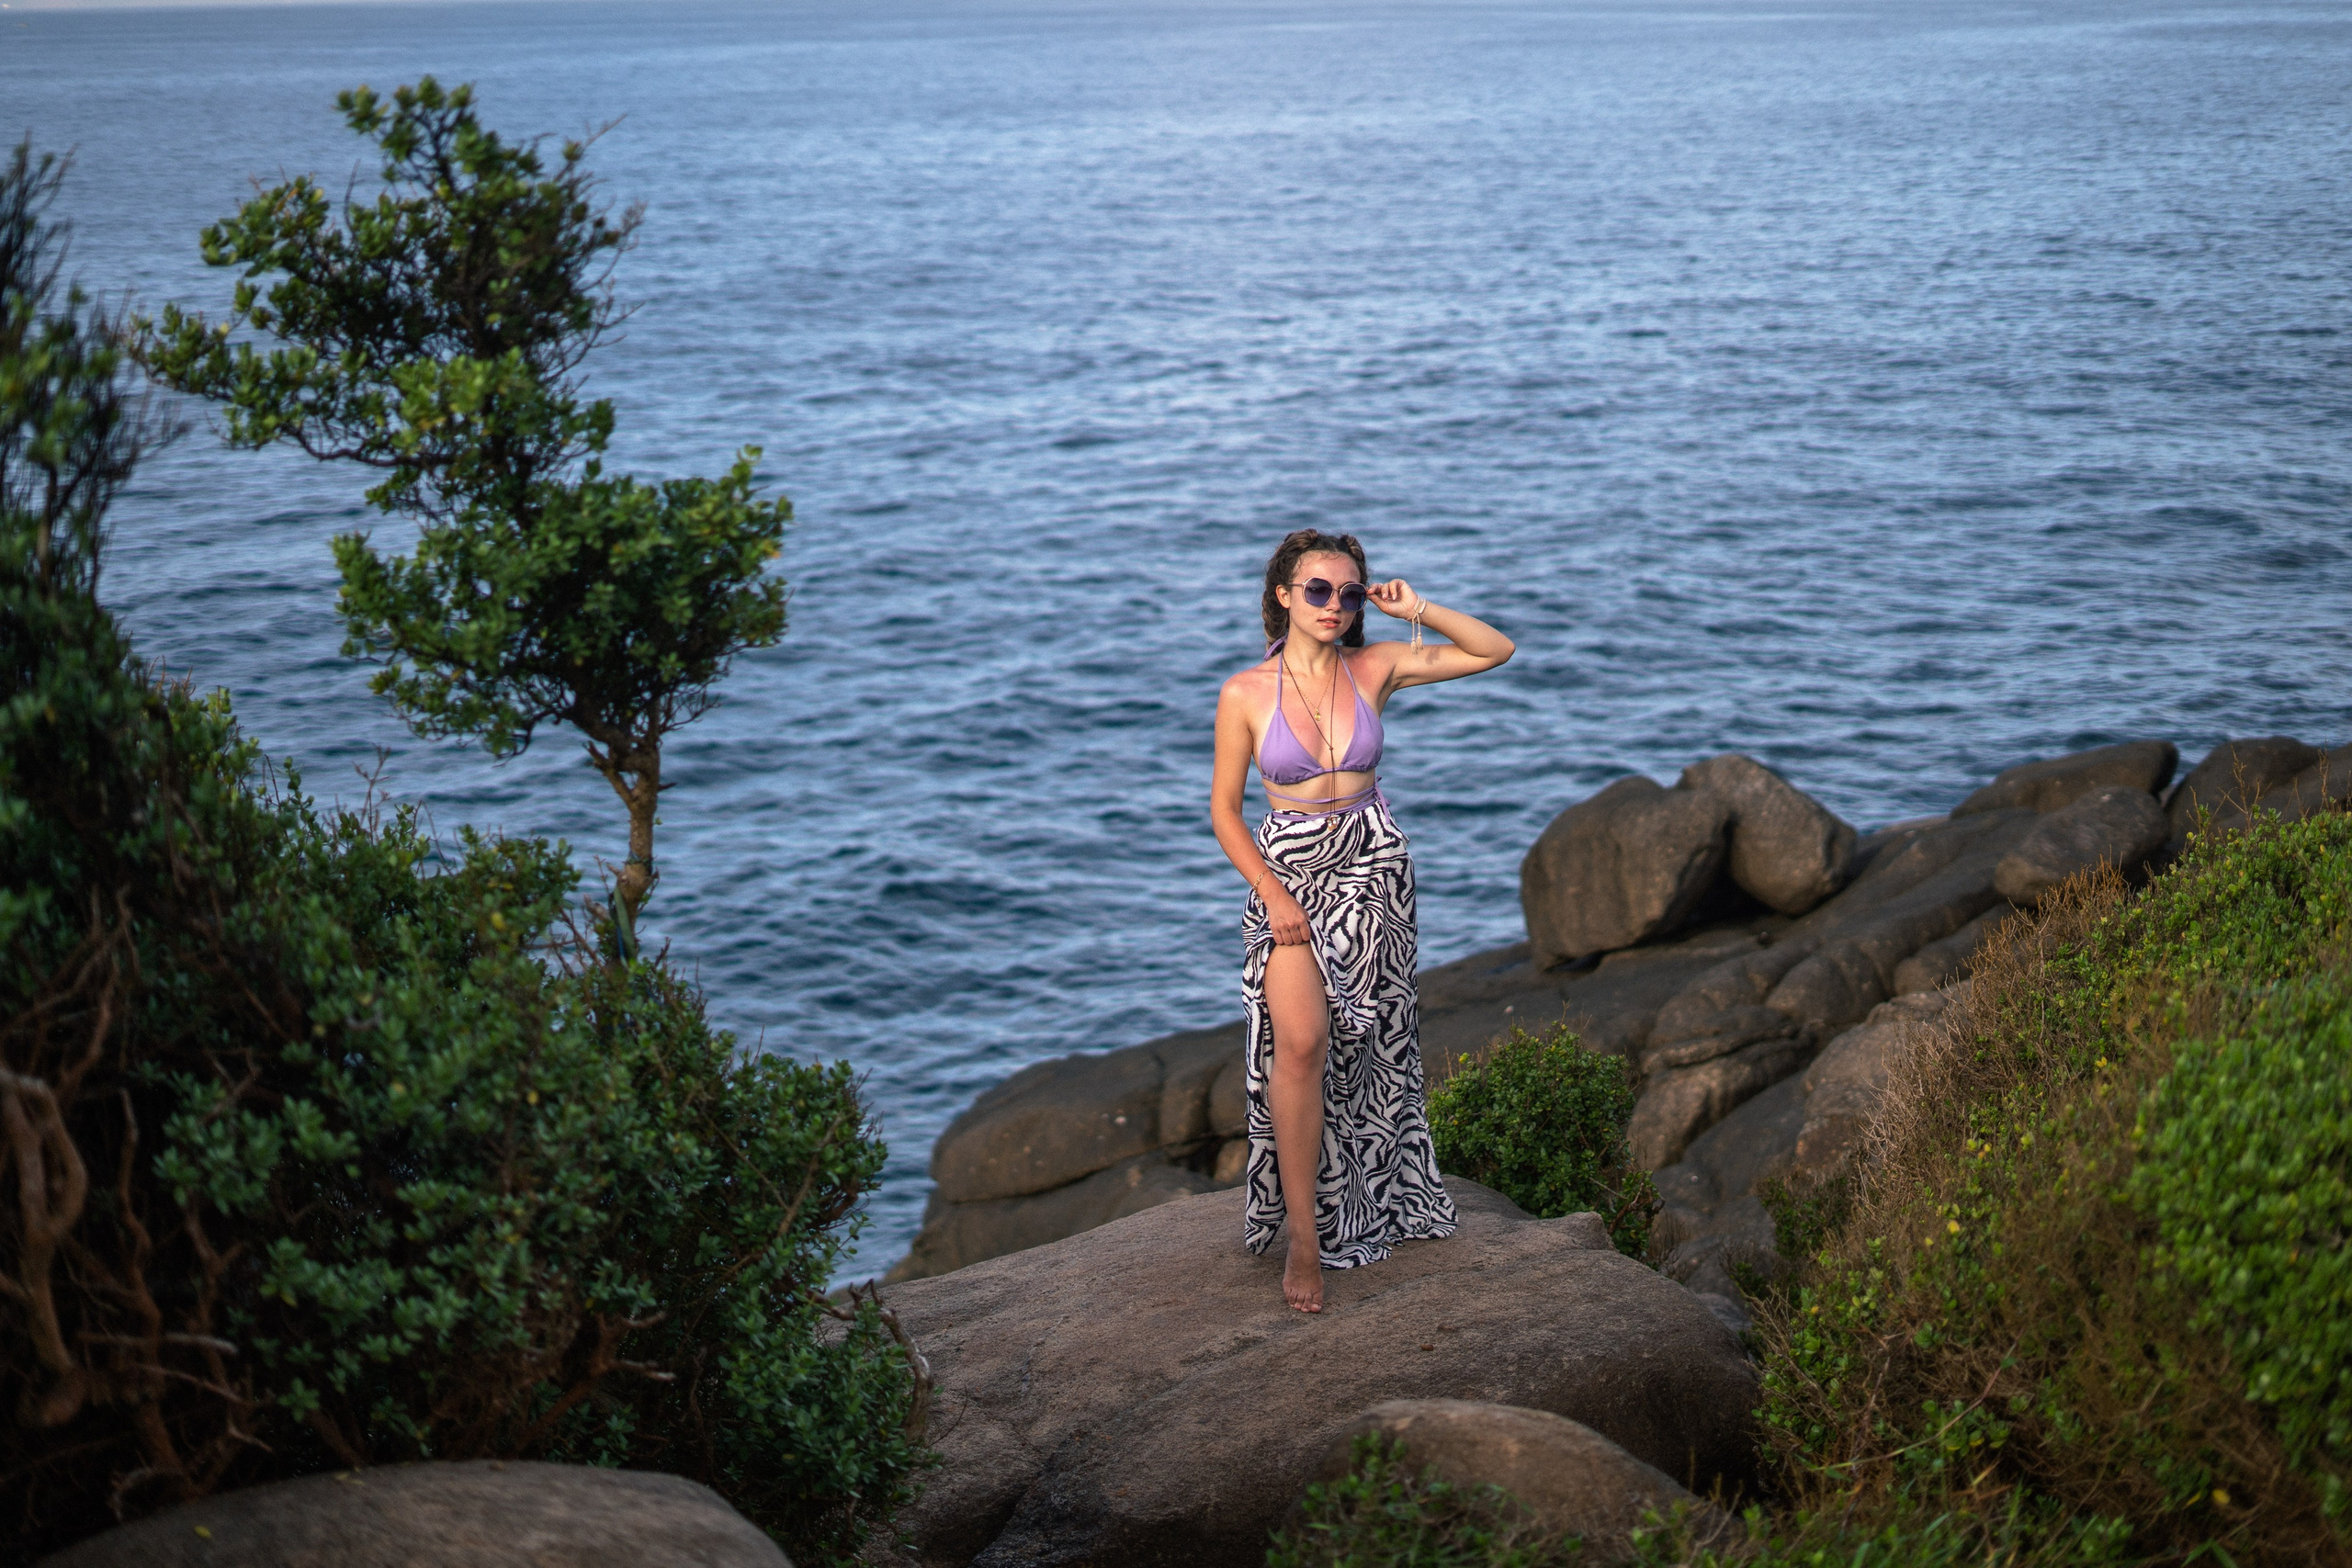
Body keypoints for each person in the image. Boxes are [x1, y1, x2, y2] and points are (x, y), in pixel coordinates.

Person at [1210, 529, 1516, 1313]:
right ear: (1283, 592)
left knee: (1370, 1051)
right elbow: (1224, 811)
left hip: (1374, 871)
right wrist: (1273, 894)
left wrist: (1418, 609)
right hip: (1291, 875)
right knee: (1302, 1042)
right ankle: (1305, 1239)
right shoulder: (1245, 691)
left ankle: (1370, 1194)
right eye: (1318, 590)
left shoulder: (1374, 667)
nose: (1336, 606)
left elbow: (1495, 649)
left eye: (1349, 594)